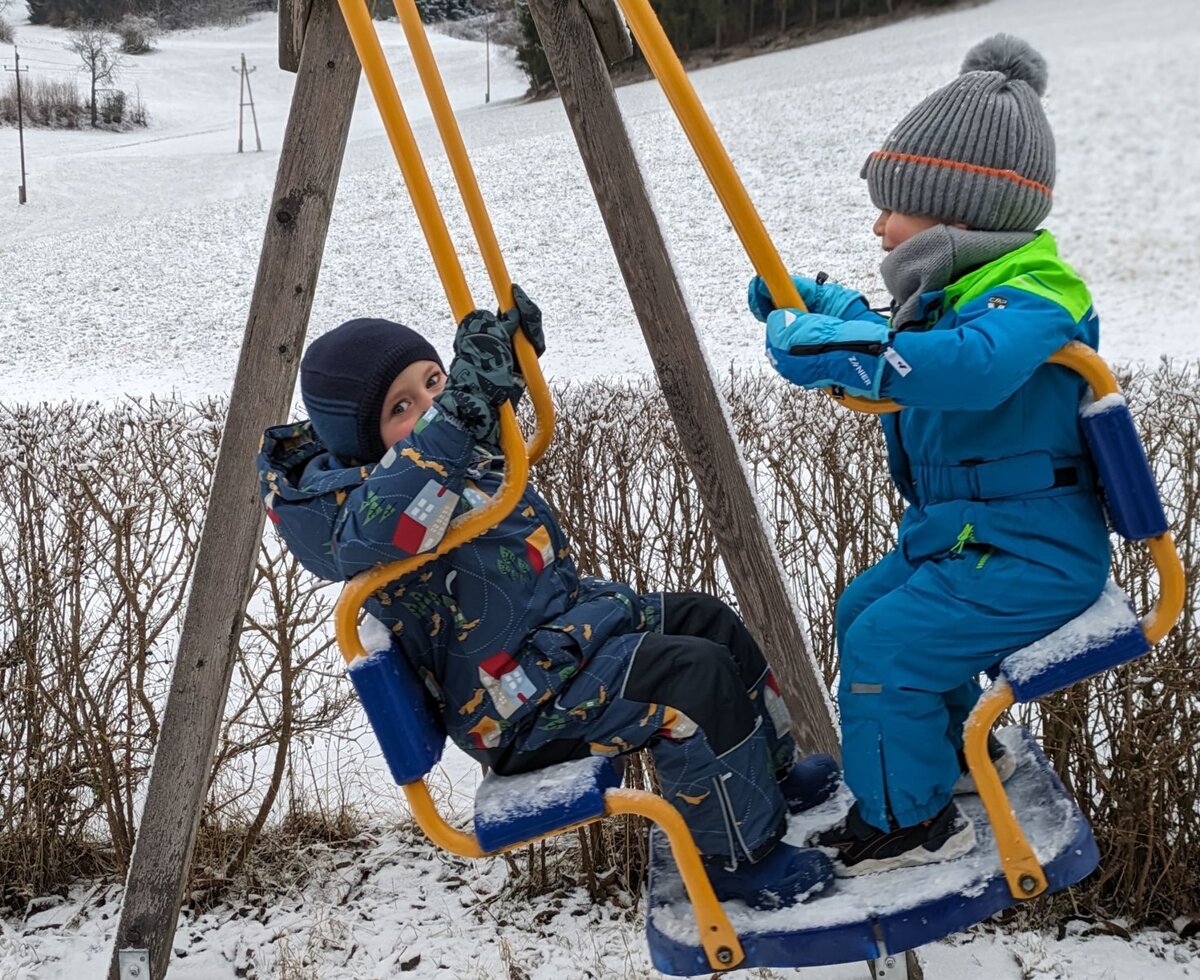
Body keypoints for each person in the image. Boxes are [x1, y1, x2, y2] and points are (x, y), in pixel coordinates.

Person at [259, 286, 840, 908]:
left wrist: (501, 373)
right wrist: (461, 406)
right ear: (359, 442)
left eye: (435, 381)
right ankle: (736, 857)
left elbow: (444, 446)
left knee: (707, 621)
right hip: (513, 708)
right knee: (690, 680)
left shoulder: (432, 460)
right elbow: (388, 515)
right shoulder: (352, 512)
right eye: (404, 406)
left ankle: (768, 779)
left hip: (555, 649)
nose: (431, 406)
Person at [747, 35, 1111, 875]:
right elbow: (907, 334)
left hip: (1034, 550)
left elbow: (971, 366)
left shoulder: (1038, 293)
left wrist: (842, 346)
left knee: (891, 649)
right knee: (860, 614)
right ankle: (943, 763)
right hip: (971, 535)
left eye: (894, 206)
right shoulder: (966, 292)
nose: (879, 225)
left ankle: (909, 824)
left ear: (960, 211)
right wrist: (823, 308)